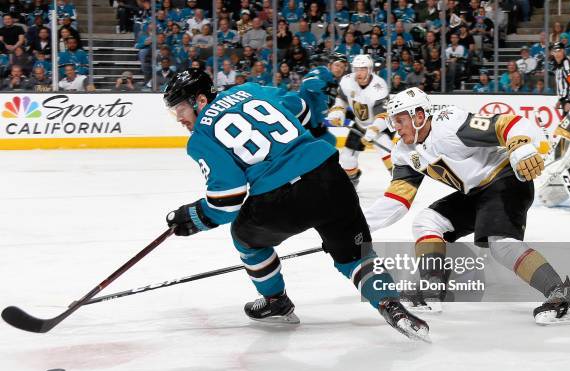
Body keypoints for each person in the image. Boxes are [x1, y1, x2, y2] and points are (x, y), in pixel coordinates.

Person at [161, 68, 430, 341]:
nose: (180, 118)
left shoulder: (201, 138)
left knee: (245, 238)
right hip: (330, 177)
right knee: (355, 256)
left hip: (280, 199)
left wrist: (193, 217)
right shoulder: (252, 90)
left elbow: (228, 200)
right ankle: (390, 305)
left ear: (201, 100)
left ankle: (275, 300)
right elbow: (301, 109)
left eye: (181, 108)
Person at [363, 87, 570, 325]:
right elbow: (396, 200)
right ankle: (433, 288)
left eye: (400, 120)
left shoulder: (449, 124)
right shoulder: (403, 152)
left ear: (419, 116)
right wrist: (356, 226)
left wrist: (521, 145)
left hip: (505, 180)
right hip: (476, 192)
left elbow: (507, 123)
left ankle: (565, 298)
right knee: (427, 222)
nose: (395, 127)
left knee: (501, 245)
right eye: (393, 121)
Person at [327, 54, 394, 187]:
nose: (359, 72)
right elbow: (342, 99)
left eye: (363, 69)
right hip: (359, 125)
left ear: (369, 70)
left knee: (389, 154)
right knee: (346, 158)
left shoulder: (379, 85)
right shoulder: (347, 81)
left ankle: (400, 180)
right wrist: (338, 111)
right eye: (356, 69)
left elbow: (383, 114)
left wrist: (374, 130)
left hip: (380, 126)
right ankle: (353, 180)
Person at [298, 53, 348, 146]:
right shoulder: (322, 71)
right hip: (302, 120)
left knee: (330, 142)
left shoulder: (335, 85)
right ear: (329, 65)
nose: (339, 69)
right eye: (337, 65)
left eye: (342, 67)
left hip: (315, 124)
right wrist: (327, 87)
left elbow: (325, 107)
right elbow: (307, 81)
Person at [551, 42, 570, 115]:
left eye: (559, 51)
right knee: (566, 125)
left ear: (563, 51)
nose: (557, 54)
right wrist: (560, 100)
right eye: (555, 51)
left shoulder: (566, 65)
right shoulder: (559, 66)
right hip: (566, 100)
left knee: (567, 126)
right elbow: (564, 86)